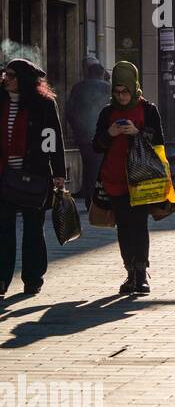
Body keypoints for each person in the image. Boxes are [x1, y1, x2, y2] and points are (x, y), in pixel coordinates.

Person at [92, 62, 163, 295]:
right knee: (123, 227)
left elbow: (159, 143)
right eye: (117, 92)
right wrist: (109, 134)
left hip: (140, 178)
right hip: (115, 178)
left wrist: (137, 133)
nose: (121, 97)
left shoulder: (148, 110)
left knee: (139, 225)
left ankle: (141, 275)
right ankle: (130, 273)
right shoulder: (107, 112)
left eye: (125, 92)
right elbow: (96, 145)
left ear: (134, 88)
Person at [0, 60, 66, 297]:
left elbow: (53, 138)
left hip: (34, 177)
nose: (6, 78)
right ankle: (1, 280)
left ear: (24, 80)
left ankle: (32, 278)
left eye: (11, 75)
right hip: (3, 178)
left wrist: (58, 173)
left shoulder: (44, 104)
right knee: (3, 230)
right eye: (5, 74)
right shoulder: (1, 100)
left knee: (33, 230)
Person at [66, 57, 110, 202]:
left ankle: (89, 194)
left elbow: (70, 110)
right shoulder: (107, 88)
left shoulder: (78, 87)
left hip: (83, 135)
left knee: (88, 165)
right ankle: (93, 197)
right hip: (102, 135)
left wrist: (75, 128)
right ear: (101, 74)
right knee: (98, 166)